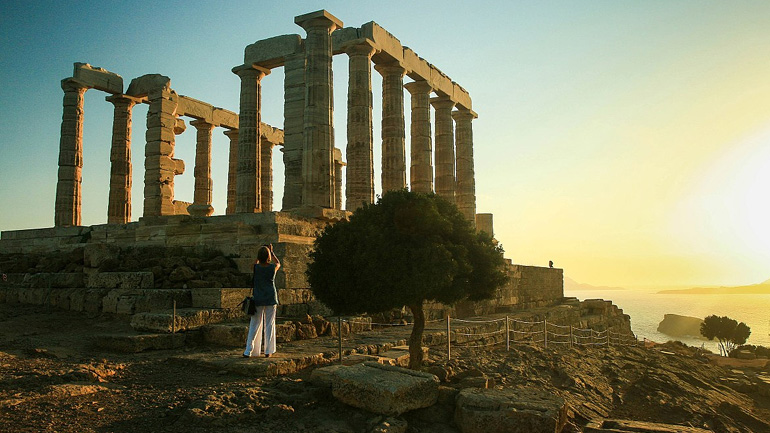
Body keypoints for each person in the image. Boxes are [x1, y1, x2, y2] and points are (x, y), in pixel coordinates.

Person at [243, 244, 280, 358]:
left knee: (254, 324)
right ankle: (268, 351)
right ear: (268, 256)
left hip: (258, 298)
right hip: (270, 297)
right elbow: (278, 263)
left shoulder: (256, 268)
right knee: (269, 324)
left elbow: (254, 263)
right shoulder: (272, 268)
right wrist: (272, 253)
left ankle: (249, 350)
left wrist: (260, 256)